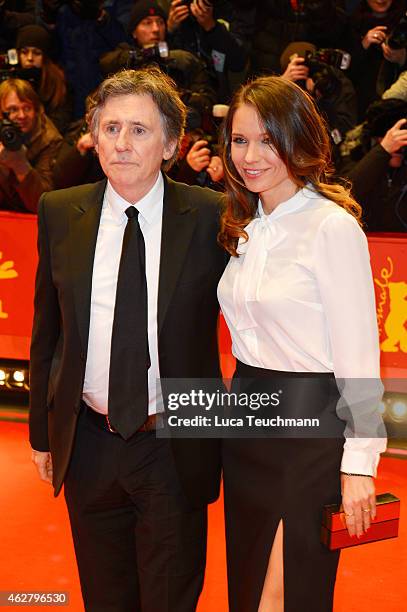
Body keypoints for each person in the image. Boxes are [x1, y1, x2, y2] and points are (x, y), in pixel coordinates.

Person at [29, 66, 225, 612]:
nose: (121, 143)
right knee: (104, 597)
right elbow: (48, 332)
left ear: (171, 144)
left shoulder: (211, 216)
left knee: (169, 597)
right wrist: (44, 435)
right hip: (88, 442)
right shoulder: (60, 211)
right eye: (110, 128)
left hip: (172, 442)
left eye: (139, 130)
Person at [217, 76, 387, 612]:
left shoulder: (331, 228)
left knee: (286, 588)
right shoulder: (244, 224)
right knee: (247, 581)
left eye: (268, 140)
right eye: (240, 141)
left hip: (309, 426)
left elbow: (360, 352)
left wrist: (360, 462)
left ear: (298, 140)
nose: (251, 156)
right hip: (245, 414)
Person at [0, 78, 62, 213]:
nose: (22, 116)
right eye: (13, 110)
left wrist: (20, 166)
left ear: (36, 109)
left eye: (27, 108)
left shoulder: (50, 140)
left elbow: (44, 203)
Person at [16, 24, 73, 134]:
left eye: (37, 53)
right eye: (24, 52)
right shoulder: (11, 80)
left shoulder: (58, 83)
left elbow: (60, 123)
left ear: (45, 57)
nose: (29, 58)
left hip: (50, 141)